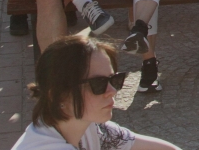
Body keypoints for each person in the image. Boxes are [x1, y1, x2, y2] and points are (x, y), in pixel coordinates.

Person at [11, 36, 180, 150]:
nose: (112, 91)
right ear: (58, 95)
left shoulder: (86, 126)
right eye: (98, 84)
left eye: (114, 80)